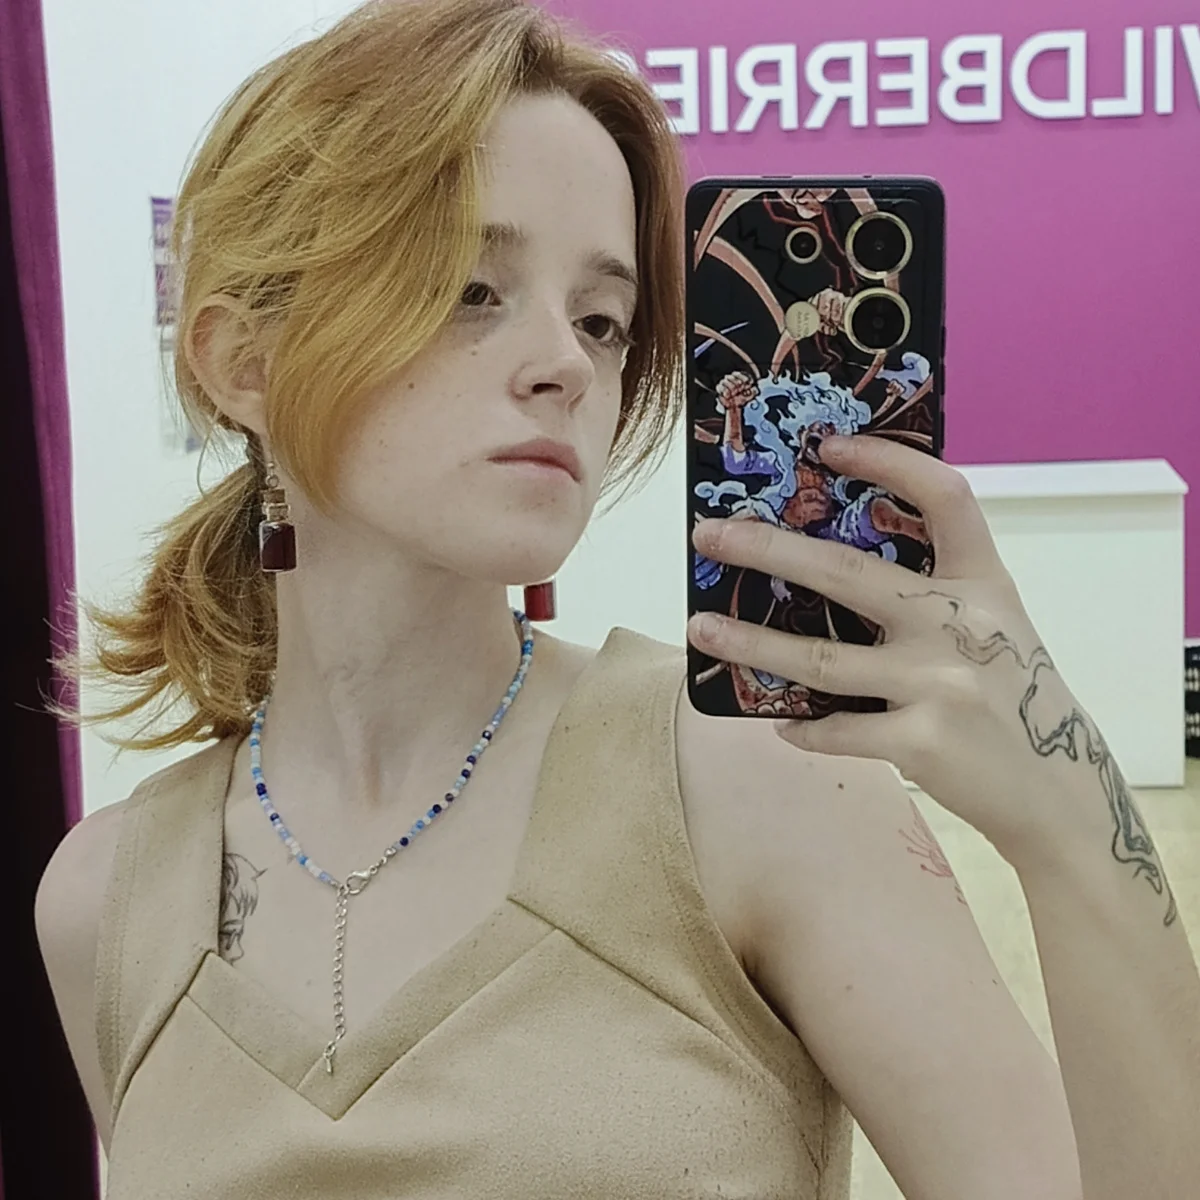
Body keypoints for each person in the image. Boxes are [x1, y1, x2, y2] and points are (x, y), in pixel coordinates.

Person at [35, 1, 1199, 1197]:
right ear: (243, 361)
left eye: (601, 320)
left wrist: (1071, 824)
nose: (567, 364)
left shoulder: (753, 792)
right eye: (470, 289)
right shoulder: (105, 904)